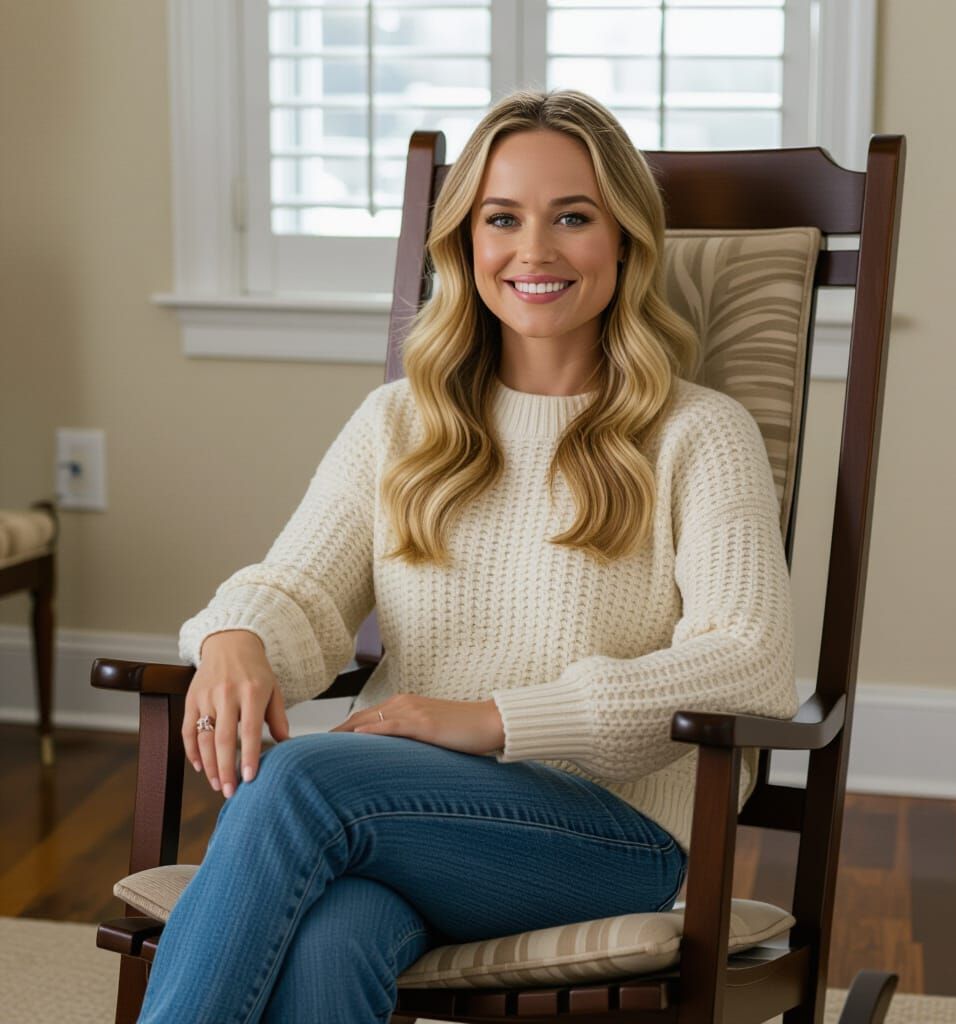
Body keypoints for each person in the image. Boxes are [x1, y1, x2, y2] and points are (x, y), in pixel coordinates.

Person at [137, 88, 799, 1022]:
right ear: (467, 246)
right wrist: (236, 636)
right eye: (502, 219)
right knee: (333, 938)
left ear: (625, 242)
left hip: (610, 838)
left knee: (300, 778)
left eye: (574, 217)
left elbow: (750, 664)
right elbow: (298, 587)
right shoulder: (402, 420)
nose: (534, 251)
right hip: (405, 825)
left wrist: (490, 720)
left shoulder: (698, 432)